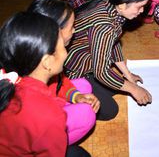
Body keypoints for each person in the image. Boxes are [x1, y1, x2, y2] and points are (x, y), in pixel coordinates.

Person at [65, 0, 153, 121]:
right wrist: (134, 89)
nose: (142, 11)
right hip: (73, 69)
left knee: (116, 86)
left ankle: (91, 83)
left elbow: (112, 42)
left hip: (89, 59)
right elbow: (101, 72)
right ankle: (72, 88)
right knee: (109, 110)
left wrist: (127, 74)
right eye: (139, 7)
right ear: (122, 4)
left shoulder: (111, 5)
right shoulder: (104, 26)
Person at [0, 12, 91, 156]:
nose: (66, 52)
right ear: (47, 62)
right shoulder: (48, 115)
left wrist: (75, 96)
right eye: (63, 47)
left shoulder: (10, 77)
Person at [27, 0, 100, 143]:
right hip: (39, 125)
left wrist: (76, 96)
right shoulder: (34, 80)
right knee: (86, 113)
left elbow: (59, 81)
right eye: (72, 26)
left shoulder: (43, 54)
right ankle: (58, 140)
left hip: (48, 99)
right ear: (56, 32)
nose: (74, 29)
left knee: (83, 85)